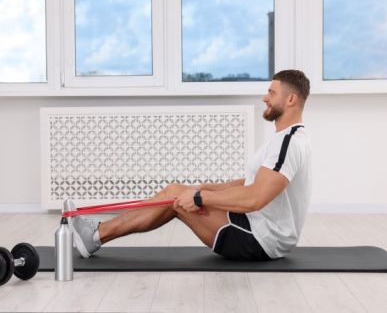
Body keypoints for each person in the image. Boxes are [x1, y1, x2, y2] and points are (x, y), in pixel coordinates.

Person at [65, 69, 312, 260]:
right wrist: (208, 189)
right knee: (178, 190)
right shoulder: (284, 139)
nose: (264, 97)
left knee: (175, 195)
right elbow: (252, 183)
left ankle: (95, 236)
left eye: (271, 93)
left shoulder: (288, 143)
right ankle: (97, 232)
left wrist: (199, 198)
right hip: (258, 226)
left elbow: (255, 198)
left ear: (291, 99)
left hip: (262, 239)